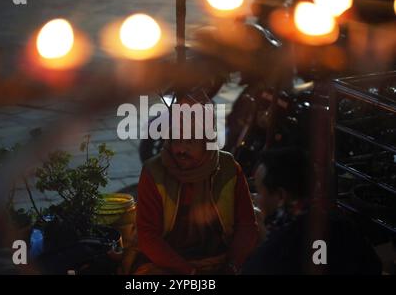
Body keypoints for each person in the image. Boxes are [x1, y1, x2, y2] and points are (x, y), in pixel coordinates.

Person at [132, 94, 259, 275]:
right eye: (176, 140)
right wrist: (190, 273)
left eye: (190, 142)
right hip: (169, 266)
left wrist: (232, 265)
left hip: (222, 260)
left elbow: (246, 225)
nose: (181, 149)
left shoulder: (229, 168)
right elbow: (148, 236)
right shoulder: (153, 172)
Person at [242, 147, 382, 275]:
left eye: (259, 191)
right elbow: (374, 266)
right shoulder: (343, 227)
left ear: (280, 196)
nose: (255, 199)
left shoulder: (267, 258)